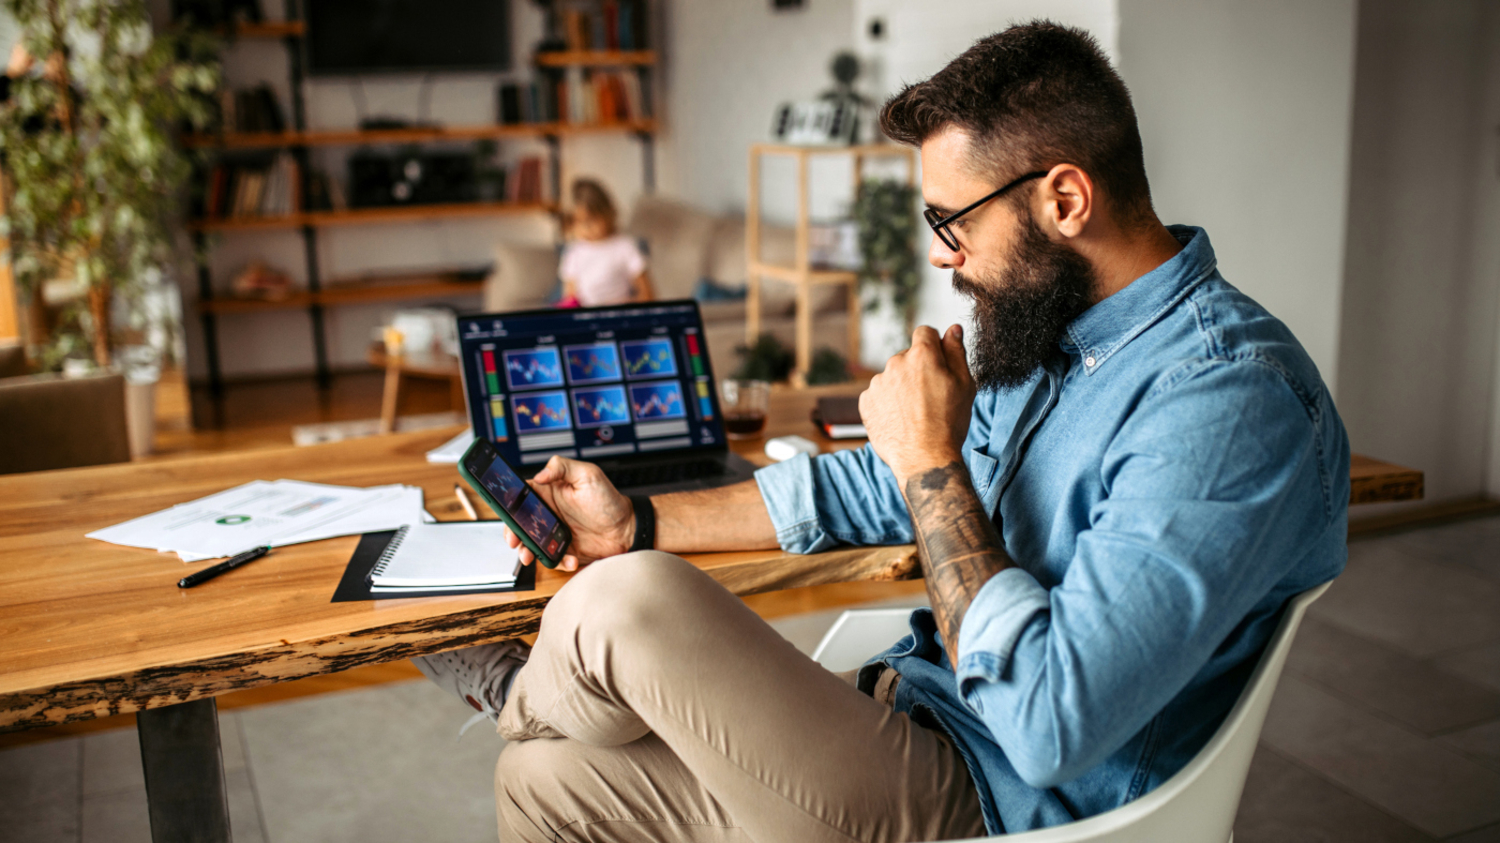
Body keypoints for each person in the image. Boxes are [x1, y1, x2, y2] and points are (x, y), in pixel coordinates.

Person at [414, 21, 1348, 842]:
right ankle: (539, 710)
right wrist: (638, 522)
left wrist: (931, 455)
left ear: (1065, 200)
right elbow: (870, 487)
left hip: (1003, 800)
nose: (943, 255)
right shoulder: (1058, 343)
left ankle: (518, 695)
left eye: (953, 220)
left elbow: (1047, 725)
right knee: (544, 780)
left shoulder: (1225, 402)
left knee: (622, 604)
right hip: (911, 720)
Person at [557, 178, 653, 307]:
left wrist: (626, 304)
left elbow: (648, 295)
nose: (585, 228)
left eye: (591, 220)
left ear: (607, 212)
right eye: (577, 223)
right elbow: (570, 296)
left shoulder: (625, 246)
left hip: (618, 316)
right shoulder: (574, 252)